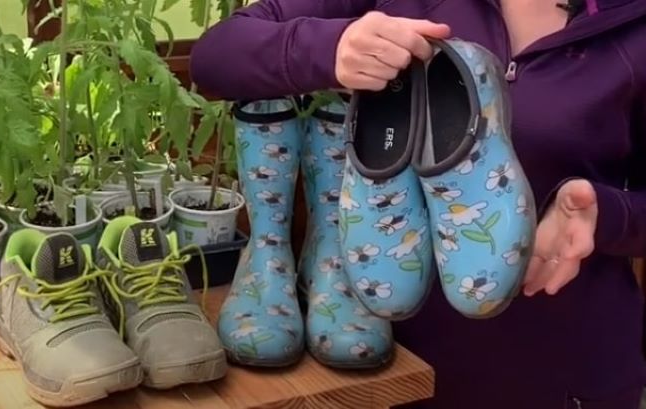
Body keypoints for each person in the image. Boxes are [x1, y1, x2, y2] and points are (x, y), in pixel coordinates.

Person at [189, 1, 646, 408]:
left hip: (568, 373)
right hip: (395, 375)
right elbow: (216, 56)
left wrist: (606, 215)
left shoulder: (631, 21)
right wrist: (332, 49)